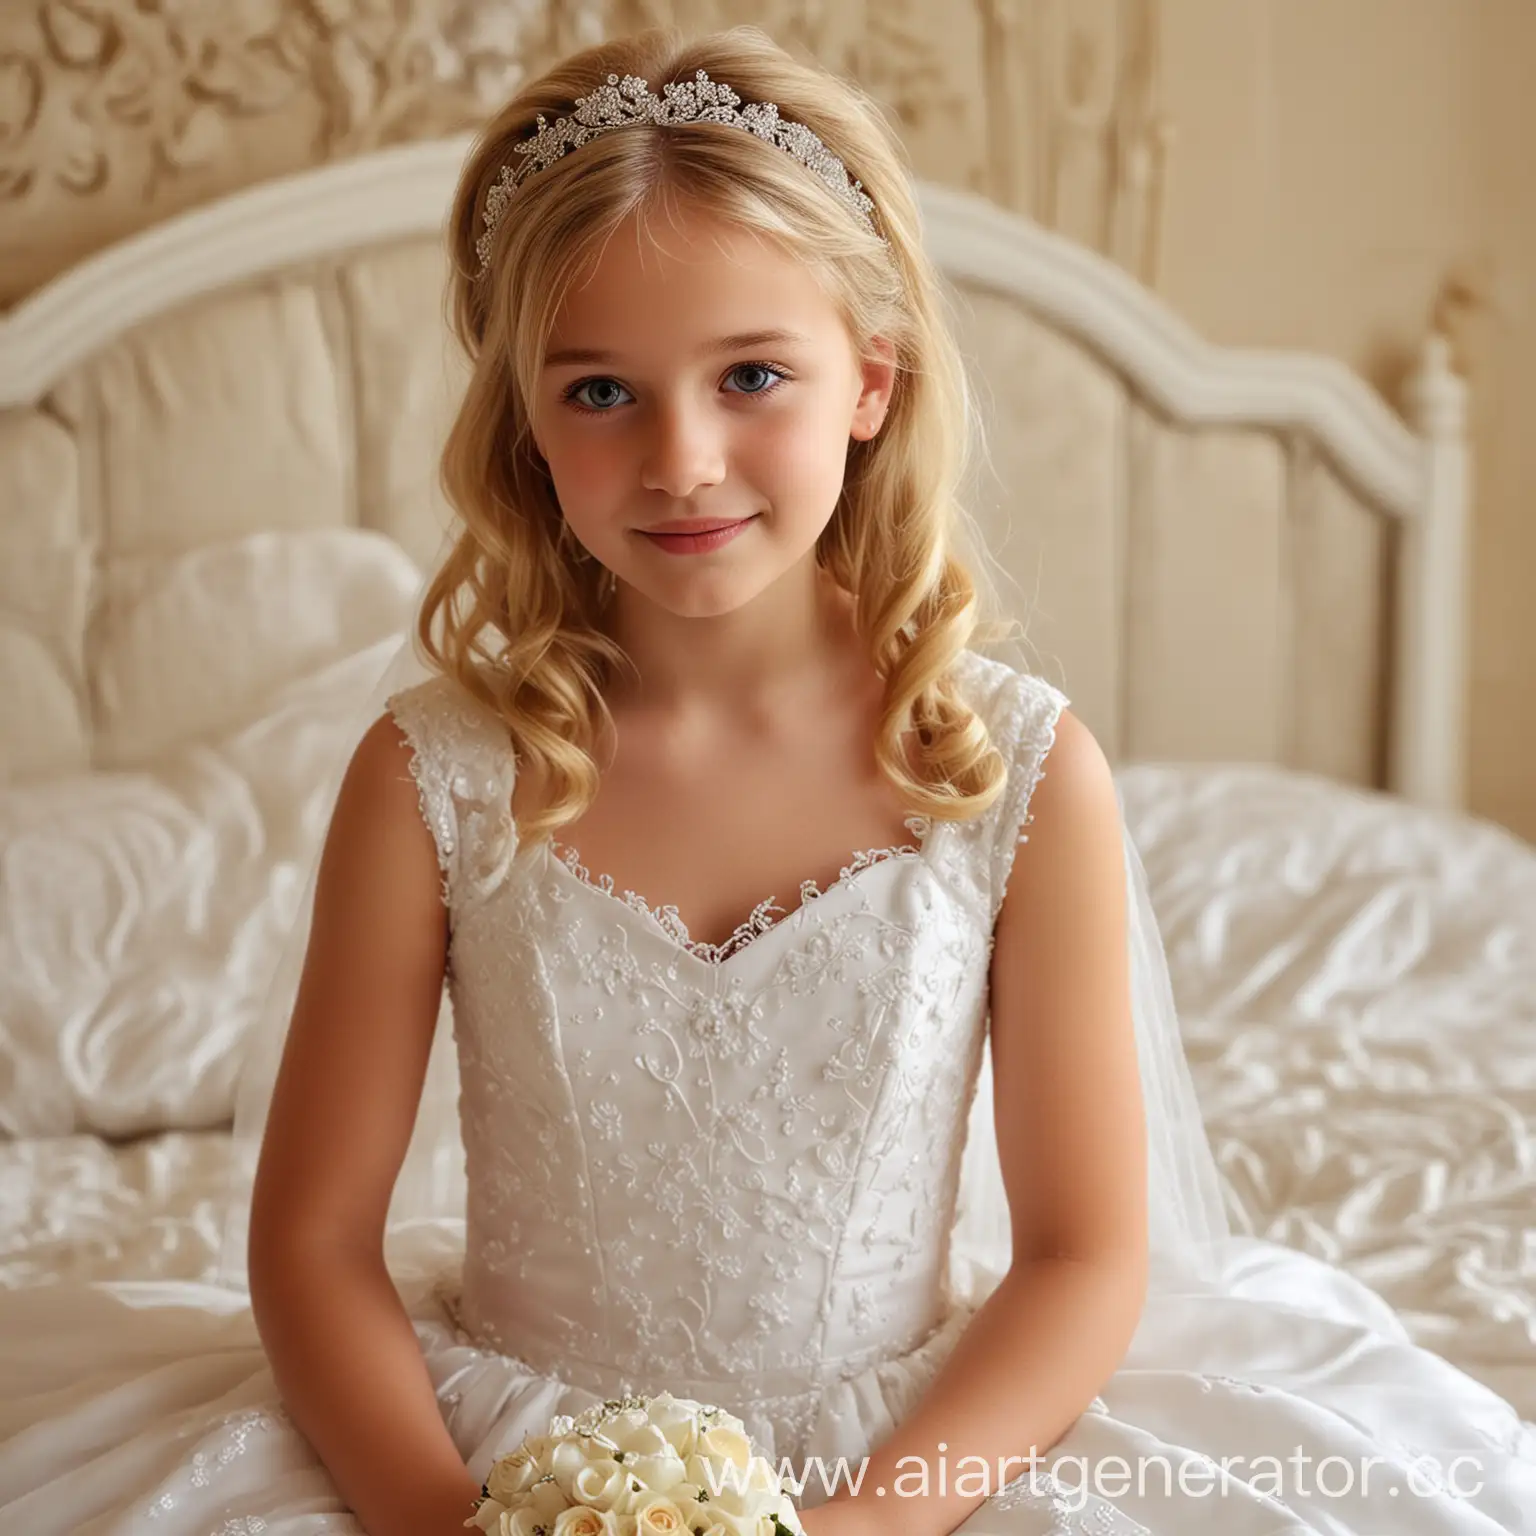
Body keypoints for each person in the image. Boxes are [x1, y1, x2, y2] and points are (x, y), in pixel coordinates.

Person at [1, 22, 1533, 1536]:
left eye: (751, 376)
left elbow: (1081, 1258)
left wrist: (866, 1527)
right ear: (526, 423)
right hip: (492, 1447)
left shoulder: (1018, 777)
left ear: (869, 382)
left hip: (920, 1459)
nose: (680, 460)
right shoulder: (436, 779)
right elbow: (315, 1242)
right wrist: (449, 1521)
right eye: (599, 391)